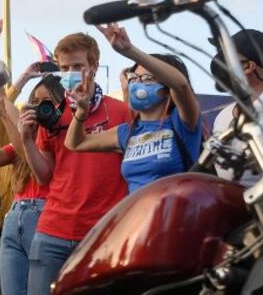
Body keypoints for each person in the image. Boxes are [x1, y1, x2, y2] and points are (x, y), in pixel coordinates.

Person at [18, 32, 131, 295]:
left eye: (77, 66)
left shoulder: (121, 111)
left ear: (93, 66)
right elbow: (44, 176)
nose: (70, 73)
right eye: (64, 67)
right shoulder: (52, 115)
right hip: (52, 232)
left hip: (101, 234)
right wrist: (27, 141)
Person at [64, 25, 202, 193]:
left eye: (147, 78)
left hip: (176, 214)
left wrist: (129, 51)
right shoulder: (127, 132)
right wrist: (81, 111)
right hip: (140, 216)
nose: (138, 84)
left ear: (166, 88)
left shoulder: (182, 122)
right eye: (134, 78)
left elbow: (181, 85)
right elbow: (75, 143)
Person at [0, 78, 57, 295]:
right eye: (33, 102)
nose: (37, 107)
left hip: (43, 216)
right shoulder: (23, 138)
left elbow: (28, 155)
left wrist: (5, 114)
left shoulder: (57, 137)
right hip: (14, 217)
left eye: (46, 102)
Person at [210, 29, 263, 187]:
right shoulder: (223, 115)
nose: (220, 60)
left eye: (227, 56)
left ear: (249, 66)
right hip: (235, 205)